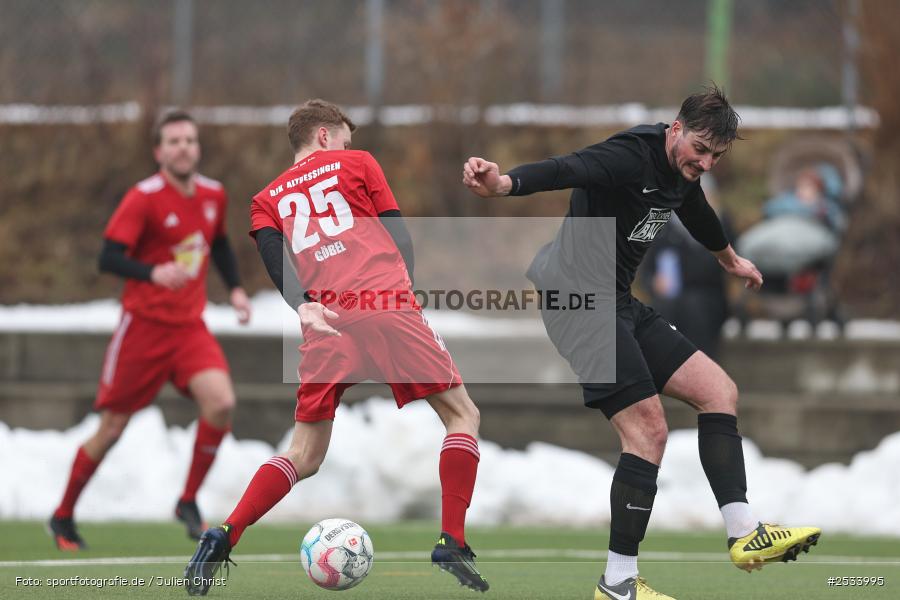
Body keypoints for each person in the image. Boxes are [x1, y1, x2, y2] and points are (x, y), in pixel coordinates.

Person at [462, 87, 821, 600]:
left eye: (716, 155)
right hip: (577, 302)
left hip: (616, 301)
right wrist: (502, 184)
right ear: (675, 129)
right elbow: (567, 168)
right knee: (648, 432)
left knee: (719, 390)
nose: (706, 161)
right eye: (700, 148)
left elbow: (694, 210)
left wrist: (728, 259)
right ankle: (617, 582)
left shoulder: (681, 173)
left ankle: (745, 533)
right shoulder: (628, 157)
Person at [183, 99, 488, 596]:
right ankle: (452, 539)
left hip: (324, 320)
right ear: (324, 137)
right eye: (344, 139)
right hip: (384, 304)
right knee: (461, 415)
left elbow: (273, 258)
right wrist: (403, 292)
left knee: (303, 453)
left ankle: (225, 532)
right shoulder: (360, 163)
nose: (349, 147)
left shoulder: (265, 200)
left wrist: (302, 305)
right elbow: (399, 235)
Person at [48, 110, 252, 550]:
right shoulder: (143, 197)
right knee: (112, 428)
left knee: (221, 403)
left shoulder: (214, 194)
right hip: (142, 329)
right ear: (159, 152)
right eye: (174, 141)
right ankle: (63, 515)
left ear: (198, 148)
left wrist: (235, 289)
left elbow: (216, 242)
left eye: (190, 141)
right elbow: (107, 257)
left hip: (189, 329)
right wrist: (152, 273)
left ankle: (188, 500)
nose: (183, 148)